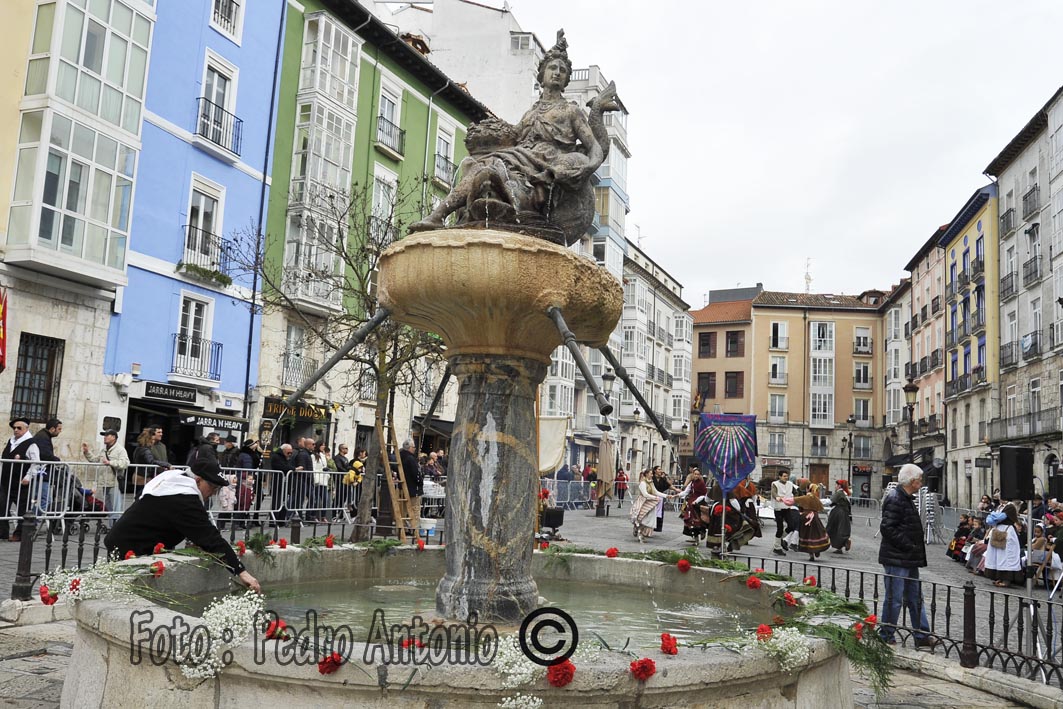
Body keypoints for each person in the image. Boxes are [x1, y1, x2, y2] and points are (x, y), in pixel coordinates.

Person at [104, 459, 261, 593]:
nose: (213, 493)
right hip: (131, 549)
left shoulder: (174, 479)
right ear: (198, 480)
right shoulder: (184, 498)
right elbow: (210, 537)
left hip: (125, 540)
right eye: (212, 487)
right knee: (124, 593)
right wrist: (241, 572)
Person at [877, 463, 939, 648]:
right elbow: (887, 527)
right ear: (912, 481)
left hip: (908, 557)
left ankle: (922, 635)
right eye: (919, 480)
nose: (921, 483)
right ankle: (886, 634)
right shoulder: (896, 498)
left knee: (915, 597)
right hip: (898, 557)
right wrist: (908, 545)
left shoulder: (905, 497)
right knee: (894, 599)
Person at [2, 418, 41, 542]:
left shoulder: (31, 443)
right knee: (2, 505)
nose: (16, 430)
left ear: (26, 429)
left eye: (19, 428)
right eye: (14, 428)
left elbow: (36, 463)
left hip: (21, 483)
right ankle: (2, 532)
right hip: (6, 481)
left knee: (22, 509)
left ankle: (20, 533)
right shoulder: (11, 442)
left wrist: (28, 477)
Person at [82, 429, 129, 526]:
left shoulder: (120, 449)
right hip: (104, 482)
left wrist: (110, 463)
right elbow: (95, 460)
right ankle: (112, 526)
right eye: (104, 435)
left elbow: (125, 463)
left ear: (114, 437)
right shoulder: (104, 450)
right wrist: (87, 452)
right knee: (109, 506)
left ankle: (116, 527)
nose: (105, 437)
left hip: (114, 482)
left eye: (107, 435)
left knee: (116, 507)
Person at [984, 503, 1024, 588]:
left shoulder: (1010, 507)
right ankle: (999, 577)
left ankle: (1007, 579)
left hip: (1007, 532)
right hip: (999, 530)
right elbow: (989, 520)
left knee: (1007, 557)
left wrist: (993, 514)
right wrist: (993, 516)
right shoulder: (999, 507)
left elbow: (999, 517)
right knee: (997, 557)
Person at [629, 469, 672, 542]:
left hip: (650, 502)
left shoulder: (651, 482)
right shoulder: (643, 483)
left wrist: (666, 496)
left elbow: (656, 492)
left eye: (652, 474)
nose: (652, 475)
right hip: (642, 502)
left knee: (648, 519)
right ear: (646, 474)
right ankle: (639, 533)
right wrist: (654, 497)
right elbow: (645, 494)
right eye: (651, 474)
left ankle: (640, 532)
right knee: (640, 517)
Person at [793, 483, 830, 561]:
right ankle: (817, 549)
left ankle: (811, 554)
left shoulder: (804, 497)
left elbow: (797, 502)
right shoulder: (816, 499)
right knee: (816, 533)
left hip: (805, 517)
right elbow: (821, 508)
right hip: (815, 517)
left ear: (807, 489)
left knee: (807, 534)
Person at [131, 428, 171, 498]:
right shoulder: (145, 450)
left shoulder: (139, 448)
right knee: (142, 497)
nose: (153, 442)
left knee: (139, 497)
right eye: (152, 439)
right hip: (143, 477)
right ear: (149, 439)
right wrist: (166, 464)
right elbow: (151, 461)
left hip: (139, 475)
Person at [771, 470, 799, 556]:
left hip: (787, 507)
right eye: (784, 476)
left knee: (791, 526)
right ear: (779, 476)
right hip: (778, 508)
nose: (786, 478)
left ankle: (780, 539)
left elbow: (796, 492)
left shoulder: (790, 484)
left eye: (787, 476)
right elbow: (773, 492)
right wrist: (777, 497)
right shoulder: (775, 484)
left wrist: (796, 498)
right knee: (780, 528)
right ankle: (777, 547)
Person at [399, 440, 424, 535]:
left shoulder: (400, 456)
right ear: (410, 448)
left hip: (404, 487)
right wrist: (420, 482)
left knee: (404, 510)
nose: (414, 449)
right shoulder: (410, 458)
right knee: (415, 510)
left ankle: (404, 528)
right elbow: (415, 473)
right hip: (413, 488)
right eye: (413, 447)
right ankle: (414, 530)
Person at [679, 466, 708, 539]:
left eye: (698, 474)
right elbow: (686, 491)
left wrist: (696, 501)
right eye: (695, 474)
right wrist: (677, 495)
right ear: (693, 474)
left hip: (699, 502)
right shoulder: (692, 483)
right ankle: (694, 536)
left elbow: (704, 494)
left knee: (699, 518)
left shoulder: (701, 483)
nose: (696, 476)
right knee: (688, 517)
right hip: (691, 501)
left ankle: (701, 531)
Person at [268, 443, 293, 526]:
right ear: (284, 450)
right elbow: (282, 467)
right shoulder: (276, 457)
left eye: (291, 452)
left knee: (284, 501)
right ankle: (273, 521)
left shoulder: (286, 457)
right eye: (288, 452)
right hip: (278, 481)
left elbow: (287, 466)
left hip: (285, 482)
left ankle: (281, 520)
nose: (289, 454)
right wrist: (294, 469)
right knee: (277, 502)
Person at [826, 479, 853, 554]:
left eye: (836, 485)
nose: (835, 486)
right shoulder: (844, 493)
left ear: (839, 486)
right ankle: (840, 546)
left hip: (838, 513)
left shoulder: (839, 493)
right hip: (843, 513)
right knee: (840, 529)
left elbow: (830, 501)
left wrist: (818, 501)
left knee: (833, 528)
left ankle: (844, 542)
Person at [651, 466, 673, 532]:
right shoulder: (652, 478)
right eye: (659, 469)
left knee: (659, 512)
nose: (660, 471)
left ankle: (657, 527)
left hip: (660, 496)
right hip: (652, 496)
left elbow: (669, 485)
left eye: (661, 469)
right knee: (651, 512)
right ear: (655, 470)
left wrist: (676, 489)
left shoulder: (662, 479)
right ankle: (649, 526)